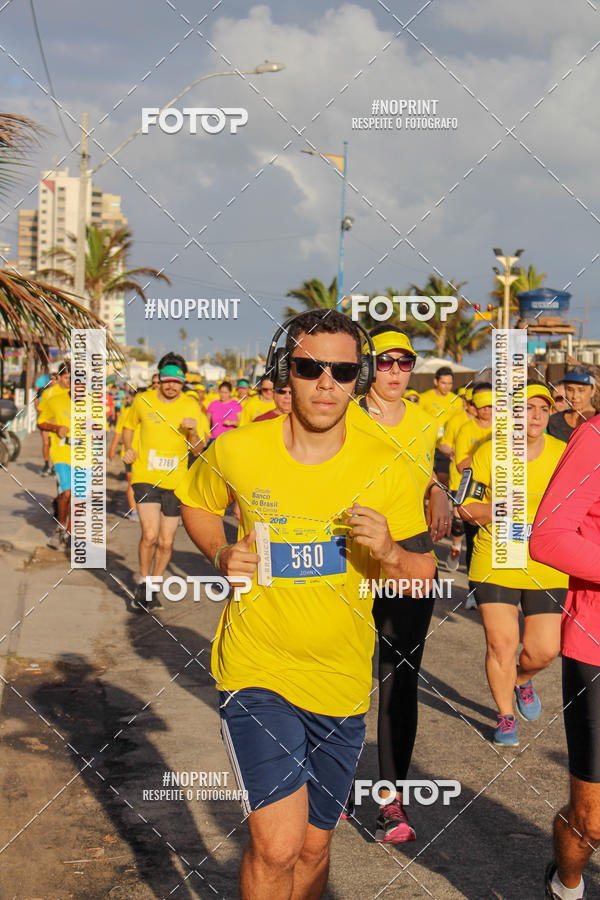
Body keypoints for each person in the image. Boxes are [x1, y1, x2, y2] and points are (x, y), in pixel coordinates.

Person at [176, 310, 435, 900]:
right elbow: (195, 502)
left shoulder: (385, 462)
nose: (326, 382)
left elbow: (425, 575)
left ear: (358, 377)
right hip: (257, 669)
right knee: (277, 845)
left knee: (315, 848)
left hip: (342, 683)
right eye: (309, 367)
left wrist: (392, 553)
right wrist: (220, 552)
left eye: (342, 370)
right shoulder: (239, 449)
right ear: (283, 374)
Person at [345, 324, 451, 843]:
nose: (393, 371)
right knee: (342, 665)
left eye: (403, 362)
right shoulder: (343, 415)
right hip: (349, 548)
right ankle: (336, 785)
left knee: (399, 674)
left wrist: (439, 494)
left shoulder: (427, 420)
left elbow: (429, 473)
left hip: (409, 551)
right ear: (368, 366)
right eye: (383, 361)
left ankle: (391, 799)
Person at [459, 384, 568, 747]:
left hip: (545, 559)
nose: (534, 415)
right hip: (496, 557)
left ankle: (522, 679)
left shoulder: (562, 453)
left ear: (550, 414)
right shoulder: (488, 453)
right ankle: (505, 715)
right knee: (502, 643)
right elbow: (464, 508)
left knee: (545, 649)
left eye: (542, 408)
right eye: (526, 407)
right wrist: (501, 511)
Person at [529, 412, 600, 900]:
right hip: (595, 644)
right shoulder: (595, 436)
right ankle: (565, 885)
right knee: (593, 818)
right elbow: (547, 536)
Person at [123, 353, 206, 612]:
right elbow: (128, 426)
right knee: (149, 534)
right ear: (159, 378)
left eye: (177, 382)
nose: (172, 386)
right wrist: (128, 448)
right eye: (167, 380)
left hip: (177, 481)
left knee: (166, 542)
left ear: (183, 383)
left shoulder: (192, 407)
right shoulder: (142, 401)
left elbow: (199, 450)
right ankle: (143, 579)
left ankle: (153, 587)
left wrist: (192, 431)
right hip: (145, 476)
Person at [452, 384, 494, 579]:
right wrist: (485, 451)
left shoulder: (504, 427)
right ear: (475, 406)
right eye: (484, 405)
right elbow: (461, 466)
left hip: (497, 493)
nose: (488, 410)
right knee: (473, 541)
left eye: (492, 406)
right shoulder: (465, 429)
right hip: (473, 493)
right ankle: (473, 588)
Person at [37, 362, 72, 548]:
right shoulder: (51, 394)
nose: (69, 382)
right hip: (59, 449)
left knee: (74, 494)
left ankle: (69, 529)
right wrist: (55, 428)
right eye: (66, 378)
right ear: (59, 377)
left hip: (81, 452)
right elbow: (41, 418)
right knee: (65, 491)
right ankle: (61, 524)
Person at [441, 387, 475, 573]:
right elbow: (444, 443)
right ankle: (455, 548)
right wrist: (451, 451)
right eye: (471, 403)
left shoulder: (495, 422)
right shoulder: (456, 421)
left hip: (486, 481)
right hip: (459, 478)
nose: (475, 408)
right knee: (459, 520)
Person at [419, 366, 462, 487]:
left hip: (446, 445)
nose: (447, 386)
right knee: (426, 477)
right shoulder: (424, 398)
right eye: (443, 383)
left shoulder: (456, 401)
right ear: (435, 381)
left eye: (450, 383)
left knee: (444, 477)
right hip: (428, 444)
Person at [547, 370, 596, 443]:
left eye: (581, 390)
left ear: (592, 391)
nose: (575, 396)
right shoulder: (553, 421)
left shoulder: (597, 421)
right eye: (570, 389)